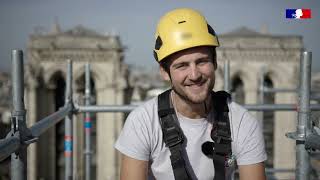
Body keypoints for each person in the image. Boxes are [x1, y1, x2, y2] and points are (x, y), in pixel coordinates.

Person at [115, 8, 267, 180]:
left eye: (202, 61)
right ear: (165, 72)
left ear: (215, 62)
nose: (194, 75)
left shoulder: (241, 122)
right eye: (182, 66)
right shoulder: (143, 123)